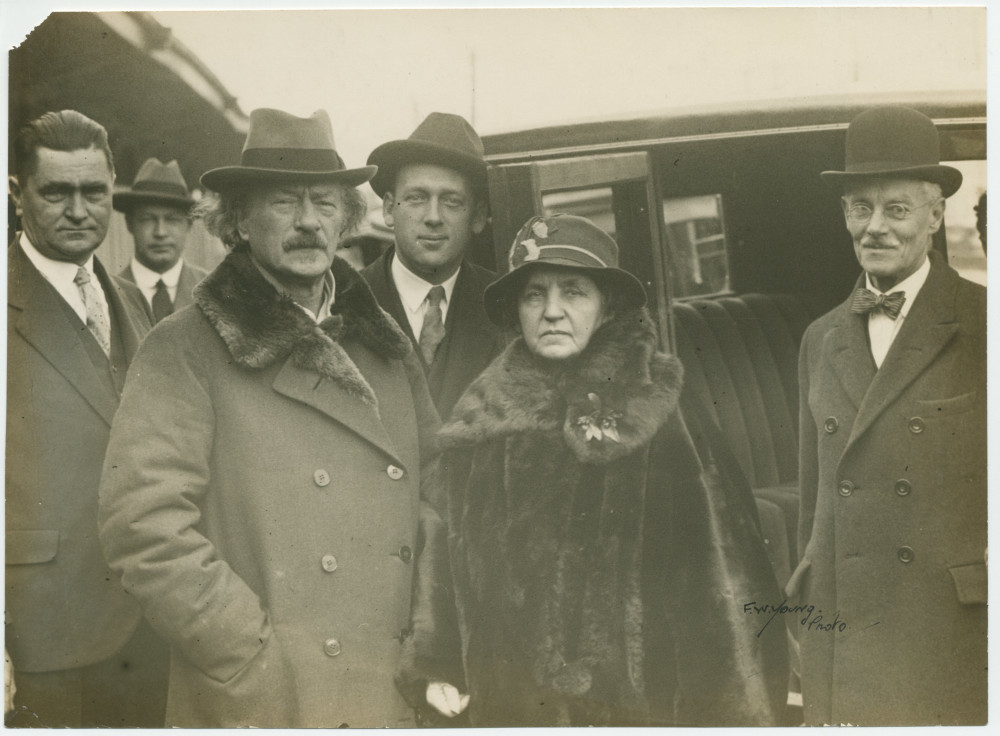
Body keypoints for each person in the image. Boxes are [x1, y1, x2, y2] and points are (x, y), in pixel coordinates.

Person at [97, 108, 442, 727]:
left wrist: (430, 628)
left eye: (326, 202)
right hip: (272, 695)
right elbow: (143, 527)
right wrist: (246, 655)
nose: (309, 221)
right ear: (238, 220)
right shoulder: (184, 346)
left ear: (347, 217)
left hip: (389, 686)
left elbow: (437, 487)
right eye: (284, 202)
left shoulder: (382, 340)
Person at [396, 214, 788, 727]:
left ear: (607, 307)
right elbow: (443, 554)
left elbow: (725, 592)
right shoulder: (482, 422)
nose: (552, 311)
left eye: (574, 291)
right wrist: (437, 663)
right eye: (535, 295)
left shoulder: (659, 414)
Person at [792, 105, 986, 725]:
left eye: (896, 209)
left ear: (935, 216)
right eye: (859, 208)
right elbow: (813, 505)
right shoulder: (820, 340)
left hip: (952, 636)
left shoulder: (985, 325)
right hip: (846, 634)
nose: (874, 228)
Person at [5, 109, 164, 727]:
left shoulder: (128, 301)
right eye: (56, 192)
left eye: (94, 191)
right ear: (18, 196)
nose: (78, 210)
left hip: (148, 628)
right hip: (40, 639)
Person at [362, 112, 503, 418]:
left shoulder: (505, 307)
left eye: (452, 201)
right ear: (389, 209)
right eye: (416, 198)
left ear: (477, 216)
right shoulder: (346, 303)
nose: (433, 217)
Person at [114, 157, 207, 323]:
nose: (160, 232)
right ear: (130, 224)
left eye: (172, 220)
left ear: (189, 225)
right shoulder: (108, 293)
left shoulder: (212, 292)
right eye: (148, 219)